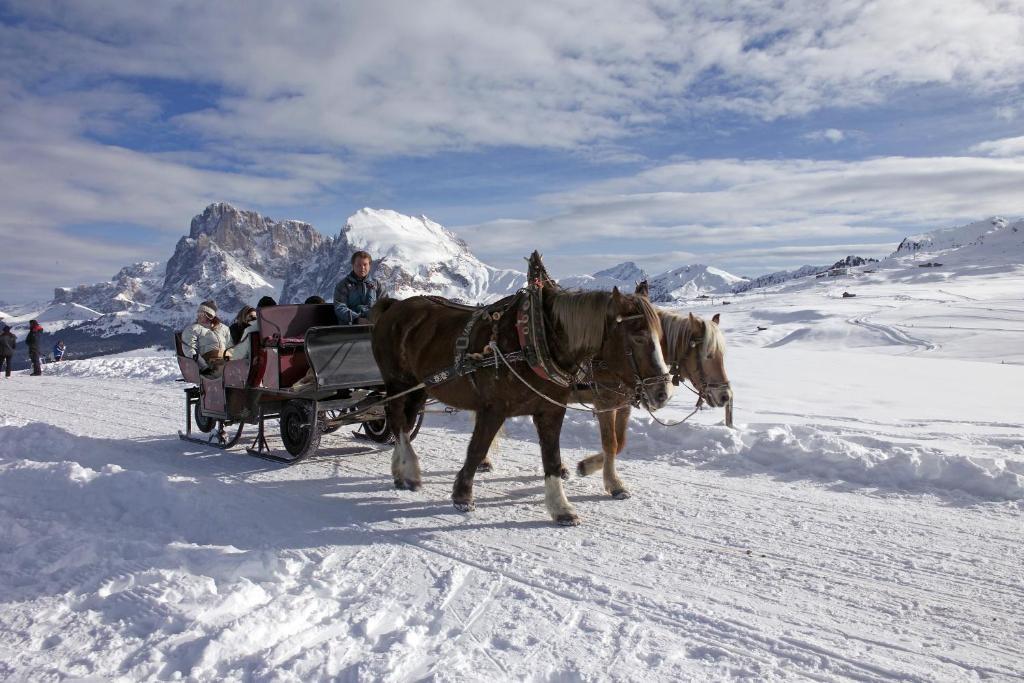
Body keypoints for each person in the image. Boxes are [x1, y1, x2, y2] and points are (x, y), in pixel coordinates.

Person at [333, 251, 382, 324]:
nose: (362, 268)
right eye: (359, 265)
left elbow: (384, 305)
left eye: (365, 264)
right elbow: (340, 308)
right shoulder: (343, 285)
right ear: (353, 265)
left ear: (369, 266)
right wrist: (357, 319)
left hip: (374, 326)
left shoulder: (377, 285)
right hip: (350, 328)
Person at [226, 297, 275, 362]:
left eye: (255, 317)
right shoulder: (233, 330)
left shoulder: (250, 330)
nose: (254, 320)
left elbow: (238, 355)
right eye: (251, 317)